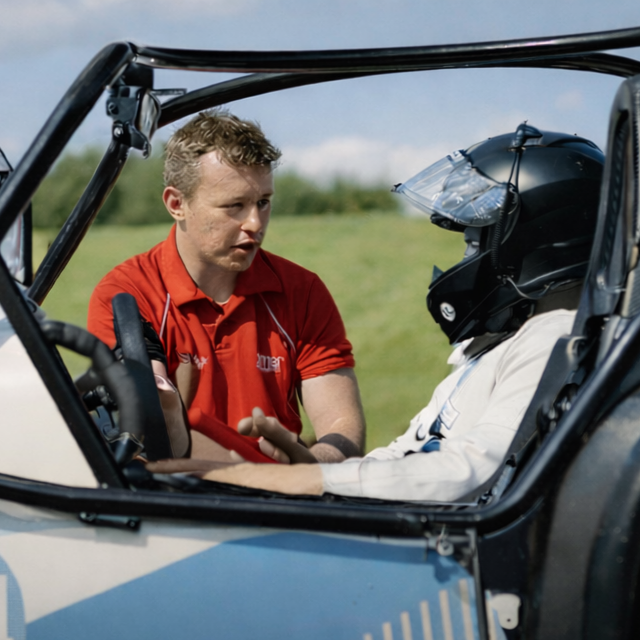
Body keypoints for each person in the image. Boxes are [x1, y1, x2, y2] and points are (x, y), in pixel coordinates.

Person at [147, 123, 605, 502]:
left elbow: (473, 470)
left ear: (532, 243)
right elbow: (411, 453)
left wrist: (308, 479)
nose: (467, 258)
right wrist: (295, 478)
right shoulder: (501, 343)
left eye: (475, 240)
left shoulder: (553, 341)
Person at [88, 110, 365, 464]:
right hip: (177, 503)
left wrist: (315, 464)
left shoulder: (303, 290)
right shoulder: (127, 292)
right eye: (235, 206)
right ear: (176, 204)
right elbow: (149, 426)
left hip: (284, 502)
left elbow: (341, 426)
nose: (255, 224)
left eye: (263, 202)